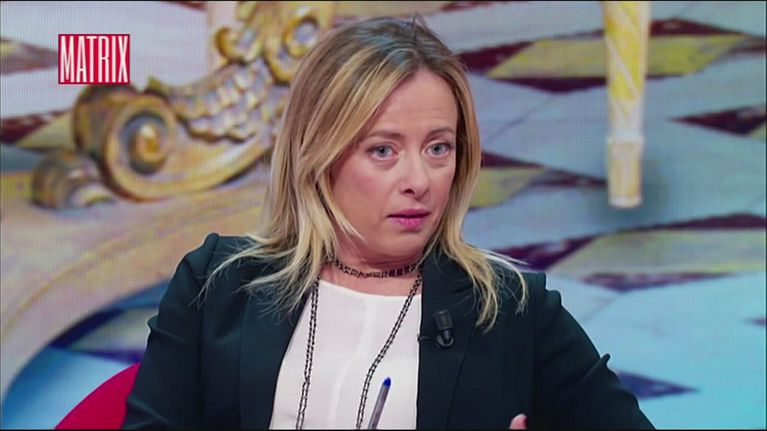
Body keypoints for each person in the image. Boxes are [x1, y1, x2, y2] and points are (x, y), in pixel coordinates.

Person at [123, 16, 653, 430]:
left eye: (438, 148)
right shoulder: (217, 284)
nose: (419, 181)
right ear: (319, 155)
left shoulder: (511, 310)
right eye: (383, 150)